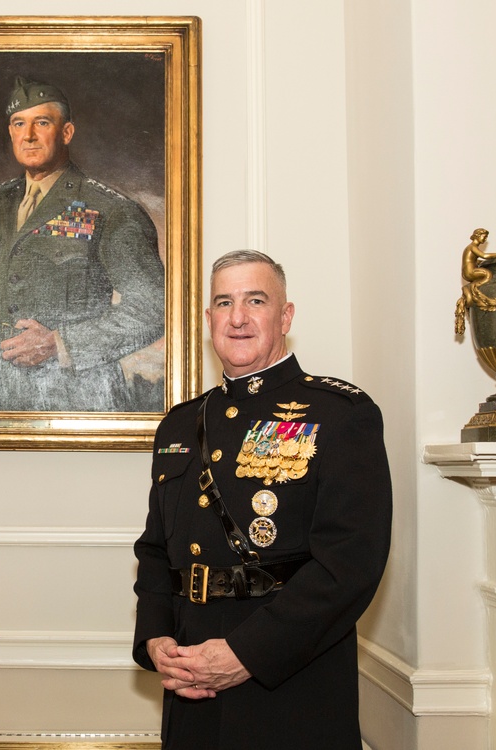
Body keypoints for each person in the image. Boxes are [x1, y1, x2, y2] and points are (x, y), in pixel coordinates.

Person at [133, 250, 392, 749]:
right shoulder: (181, 424)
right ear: (208, 319)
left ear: (285, 316)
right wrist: (156, 637)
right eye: (224, 303)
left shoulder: (339, 414)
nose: (237, 318)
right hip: (190, 680)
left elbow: (349, 564)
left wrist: (246, 654)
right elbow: (155, 549)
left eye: (255, 300)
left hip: (291, 684)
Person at [0, 76, 166, 412]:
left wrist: (60, 343)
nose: (28, 135)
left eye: (42, 123)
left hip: (78, 400)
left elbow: (154, 307)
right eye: (19, 123)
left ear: (66, 132)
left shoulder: (110, 208)